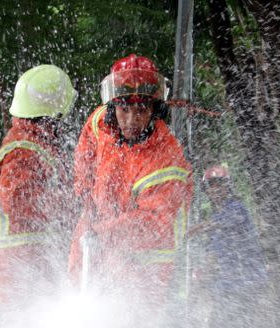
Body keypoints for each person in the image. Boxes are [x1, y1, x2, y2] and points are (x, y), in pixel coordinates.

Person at [68, 54, 193, 306]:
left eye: (141, 110)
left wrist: (101, 232)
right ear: (113, 108)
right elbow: (86, 152)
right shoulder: (100, 123)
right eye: (125, 109)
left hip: (144, 269)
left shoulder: (166, 160)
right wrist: (85, 197)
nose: (132, 120)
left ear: (154, 110)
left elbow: (152, 222)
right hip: (95, 249)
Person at [0, 64, 77, 310]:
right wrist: (70, 202)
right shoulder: (23, 150)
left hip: (31, 269)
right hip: (21, 274)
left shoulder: (34, 144)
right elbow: (17, 202)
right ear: (53, 114)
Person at [191, 165, 269, 328]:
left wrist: (197, 228)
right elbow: (214, 254)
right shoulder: (218, 218)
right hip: (228, 285)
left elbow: (224, 223)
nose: (215, 190)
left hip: (244, 284)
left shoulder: (237, 209)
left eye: (219, 185)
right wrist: (202, 276)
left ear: (228, 187)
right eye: (210, 187)